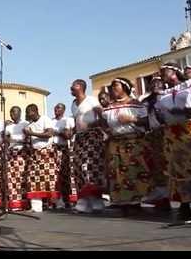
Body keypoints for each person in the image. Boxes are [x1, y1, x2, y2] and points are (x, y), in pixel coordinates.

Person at [154, 62, 191, 220]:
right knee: (176, 169)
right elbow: (160, 114)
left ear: (174, 71)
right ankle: (184, 205)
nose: (161, 74)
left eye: (164, 70)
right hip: (171, 132)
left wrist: (178, 111)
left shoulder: (190, 85)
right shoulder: (164, 92)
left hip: (190, 128)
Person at [101, 77, 150, 214]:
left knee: (133, 170)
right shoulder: (109, 107)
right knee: (116, 172)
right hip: (115, 142)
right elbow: (104, 123)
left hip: (133, 141)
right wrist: (108, 130)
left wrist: (132, 119)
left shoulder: (136, 104)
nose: (113, 89)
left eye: (116, 85)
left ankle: (135, 202)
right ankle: (122, 202)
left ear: (125, 88)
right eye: (111, 86)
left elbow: (147, 122)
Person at [70, 79, 106, 213]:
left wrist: (92, 124)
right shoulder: (73, 104)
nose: (71, 87)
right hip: (79, 137)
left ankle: (96, 199)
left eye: (74, 85)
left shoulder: (91, 100)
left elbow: (102, 117)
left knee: (91, 166)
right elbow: (76, 122)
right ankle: (84, 201)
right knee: (79, 167)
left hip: (92, 135)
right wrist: (72, 131)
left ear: (80, 87)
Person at [140, 75, 170, 210]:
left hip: (170, 131)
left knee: (171, 163)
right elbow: (145, 120)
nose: (156, 85)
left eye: (159, 82)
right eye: (153, 83)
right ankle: (162, 196)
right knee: (158, 164)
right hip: (154, 133)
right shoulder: (147, 101)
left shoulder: (169, 96)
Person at [23, 104, 59, 212]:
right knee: (33, 179)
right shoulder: (30, 124)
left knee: (50, 179)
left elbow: (49, 134)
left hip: (46, 152)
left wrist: (32, 133)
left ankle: (55, 203)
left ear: (35, 111)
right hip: (35, 154)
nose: (28, 114)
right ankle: (36, 206)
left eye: (29, 112)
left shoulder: (45, 119)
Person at [5, 106, 30, 211]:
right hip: (11, 153)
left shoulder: (25, 124)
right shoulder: (9, 127)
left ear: (20, 113)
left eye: (15, 112)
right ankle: (14, 204)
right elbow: (6, 139)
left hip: (22, 153)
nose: (12, 114)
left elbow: (28, 139)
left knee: (22, 178)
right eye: (11, 112)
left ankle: (23, 203)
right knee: (12, 179)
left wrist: (15, 140)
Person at [51, 103, 74, 209]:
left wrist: (57, 132)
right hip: (52, 149)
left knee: (64, 175)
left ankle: (67, 200)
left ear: (64, 110)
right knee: (54, 176)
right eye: (55, 107)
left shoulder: (67, 120)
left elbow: (68, 135)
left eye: (59, 108)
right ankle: (56, 200)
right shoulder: (51, 121)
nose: (56, 109)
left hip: (63, 149)